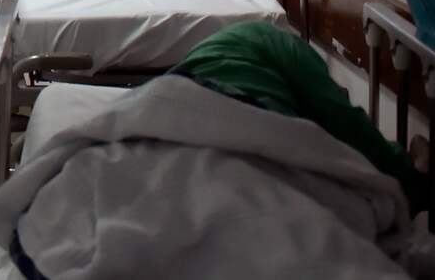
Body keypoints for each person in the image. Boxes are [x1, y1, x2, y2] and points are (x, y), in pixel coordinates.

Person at [169, 20, 429, 215]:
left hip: (170, 107)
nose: (343, 91)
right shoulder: (278, 43)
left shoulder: (227, 44)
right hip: (238, 126)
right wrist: (410, 173)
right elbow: (345, 122)